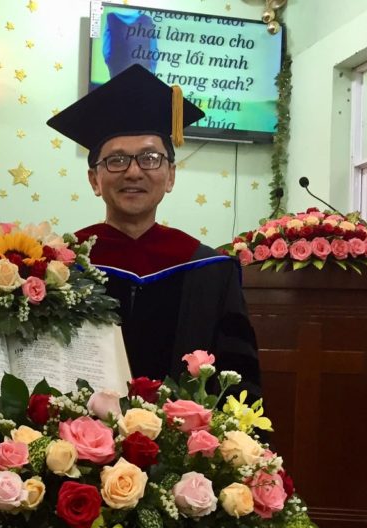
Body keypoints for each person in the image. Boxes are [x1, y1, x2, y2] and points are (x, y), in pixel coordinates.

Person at [47, 64, 261, 402]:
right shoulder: (60, 268)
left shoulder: (210, 269)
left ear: (171, 176)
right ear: (94, 180)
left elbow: (238, 380)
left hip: (184, 449)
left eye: (150, 158)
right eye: (116, 161)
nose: (133, 172)